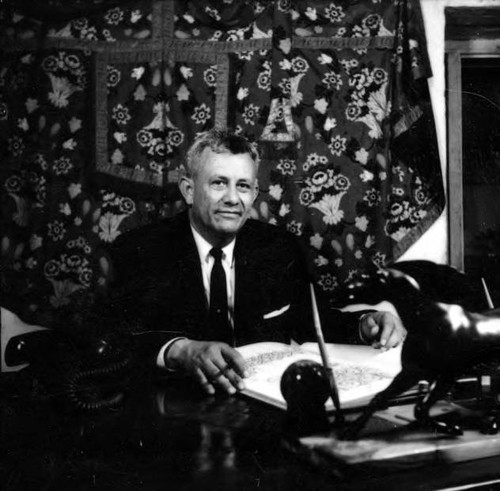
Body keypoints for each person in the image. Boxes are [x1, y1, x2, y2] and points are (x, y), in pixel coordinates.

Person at [105, 129, 406, 395]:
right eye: (219, 183)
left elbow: (311, 323)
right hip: (176, 407)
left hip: (261, 405)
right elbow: (113, 337)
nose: (233, 199)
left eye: (244, 186)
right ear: (188, 190)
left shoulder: (279, 248)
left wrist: (366, 324)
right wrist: (178, 350)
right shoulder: (141, 250)